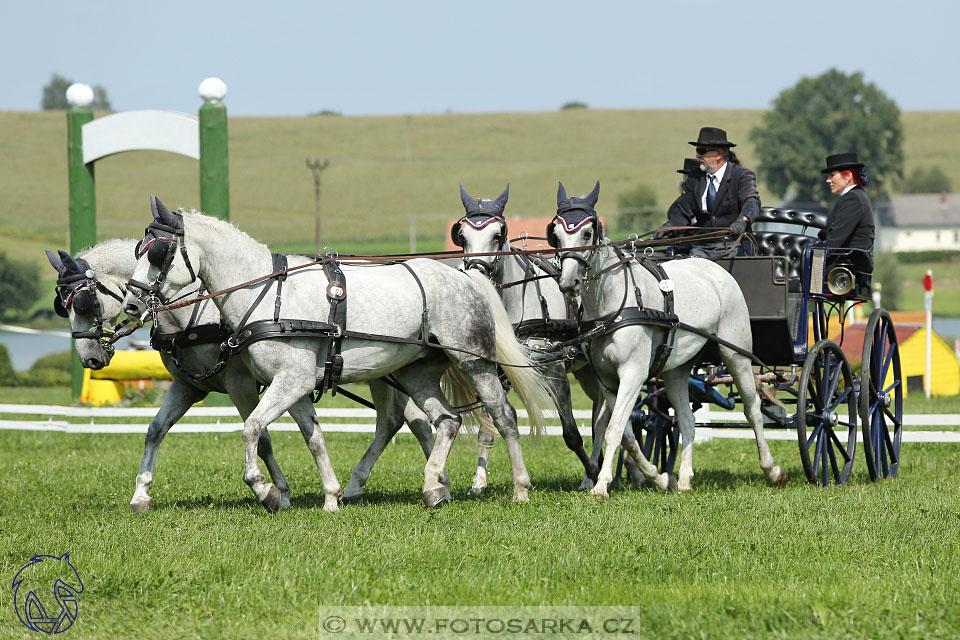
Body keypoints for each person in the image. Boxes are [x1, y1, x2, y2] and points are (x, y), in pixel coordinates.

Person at [662, 127, 760, 256]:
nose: (697, 155)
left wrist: (743, 220)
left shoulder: (741, 176)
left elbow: (751, 201)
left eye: (701, 151)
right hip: (702, 247)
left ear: (718, 154)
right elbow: (682, 212)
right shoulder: (695, 177)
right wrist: (667, 228)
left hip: (734, 245)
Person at [819, 152, 876, 270]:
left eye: (832, 175)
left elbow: (835, 240)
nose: (828, 180)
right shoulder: (856, 196)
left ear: (848, 176)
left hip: (845, 270)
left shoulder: (852, 199)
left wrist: (815, 259)